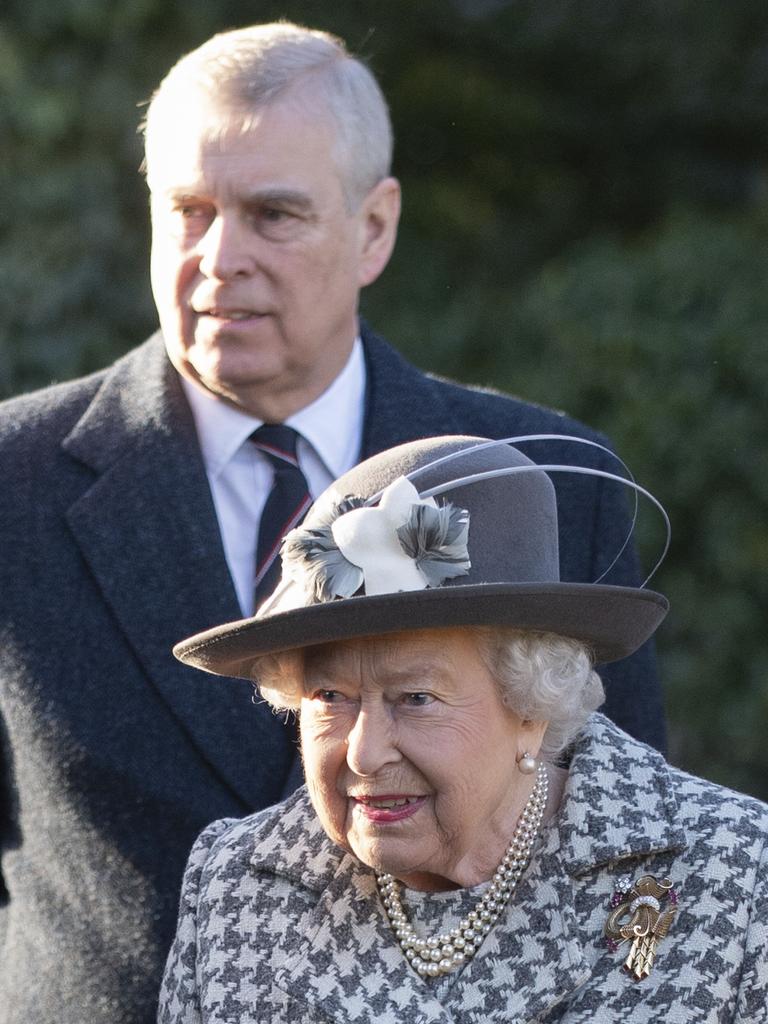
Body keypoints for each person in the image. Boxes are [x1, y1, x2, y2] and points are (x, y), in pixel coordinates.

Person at [0, 22, 663, 1024]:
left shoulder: (549, 478)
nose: (220, 258)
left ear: (376, 227)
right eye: (188, 212)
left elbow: (635, 849)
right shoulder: (16, 480)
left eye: (273, 214)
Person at [161, 436, 767, 1024]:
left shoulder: (732, 872)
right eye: (330, 696)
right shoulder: (236, 884)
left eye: (416, 698)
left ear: (531, 705)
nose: (366, 754)